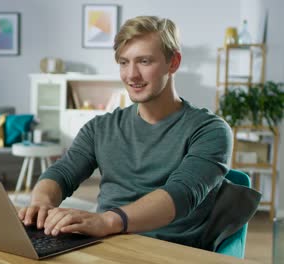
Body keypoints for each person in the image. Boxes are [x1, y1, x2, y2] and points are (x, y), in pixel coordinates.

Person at [18, 16, 234, 249]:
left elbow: (180, 194)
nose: (131, 75)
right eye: (123, 62)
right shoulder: (100, 128)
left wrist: (107, 220)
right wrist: (41, 202)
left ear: (173, 63)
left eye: (144, 61)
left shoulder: (210, 130)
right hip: (106, 247)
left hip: (171, 251)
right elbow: (62, 172)